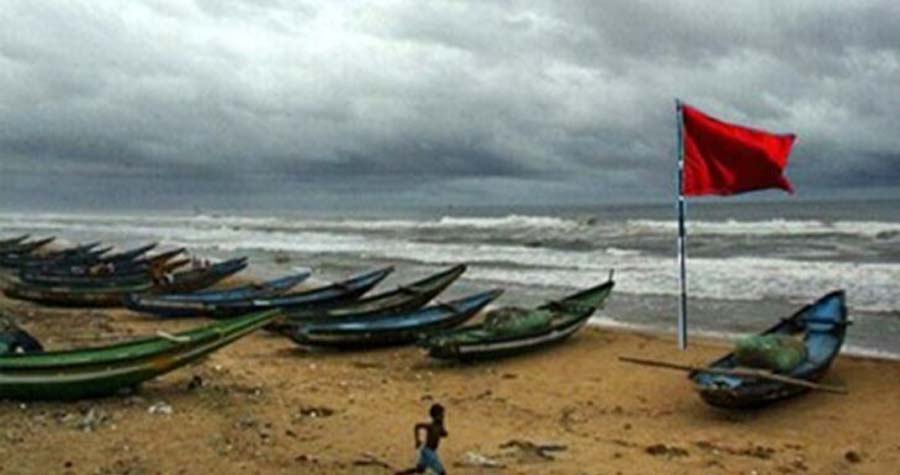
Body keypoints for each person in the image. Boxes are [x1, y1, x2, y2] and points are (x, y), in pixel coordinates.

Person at [395, 404, 448, 475]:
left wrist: (442, 426)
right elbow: (417, 426)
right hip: (429, 452)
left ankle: (401, 473)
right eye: (441, 414)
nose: (443, 416)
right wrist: (417, 440)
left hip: (430, 451)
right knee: (442, 473)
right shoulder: (431, 426)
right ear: (436, 416)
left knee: (419, 469)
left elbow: (444, 434)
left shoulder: (439, 426)